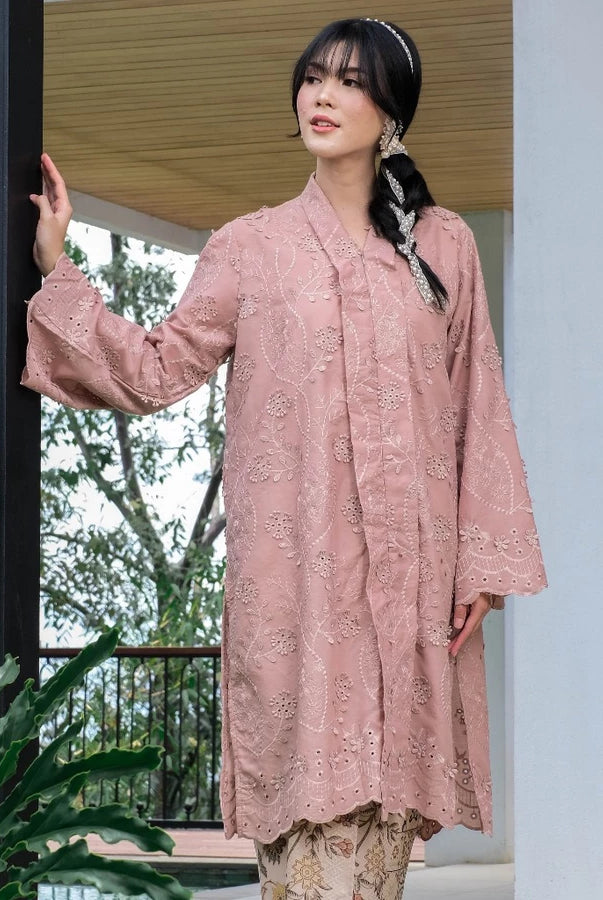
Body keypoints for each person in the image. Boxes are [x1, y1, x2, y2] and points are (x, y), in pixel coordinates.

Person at [25, 17, 546, 900]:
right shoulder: (249, 247)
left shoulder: (443, 246)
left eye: (348, 80)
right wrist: (59, 267)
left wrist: (480, 571)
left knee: (375, 863)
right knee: (312, 857)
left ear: (390, 112)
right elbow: (155, 370)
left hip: (413, 597)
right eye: (312, 77)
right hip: (297, 598)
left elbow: (477, 408)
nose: (322, 95)